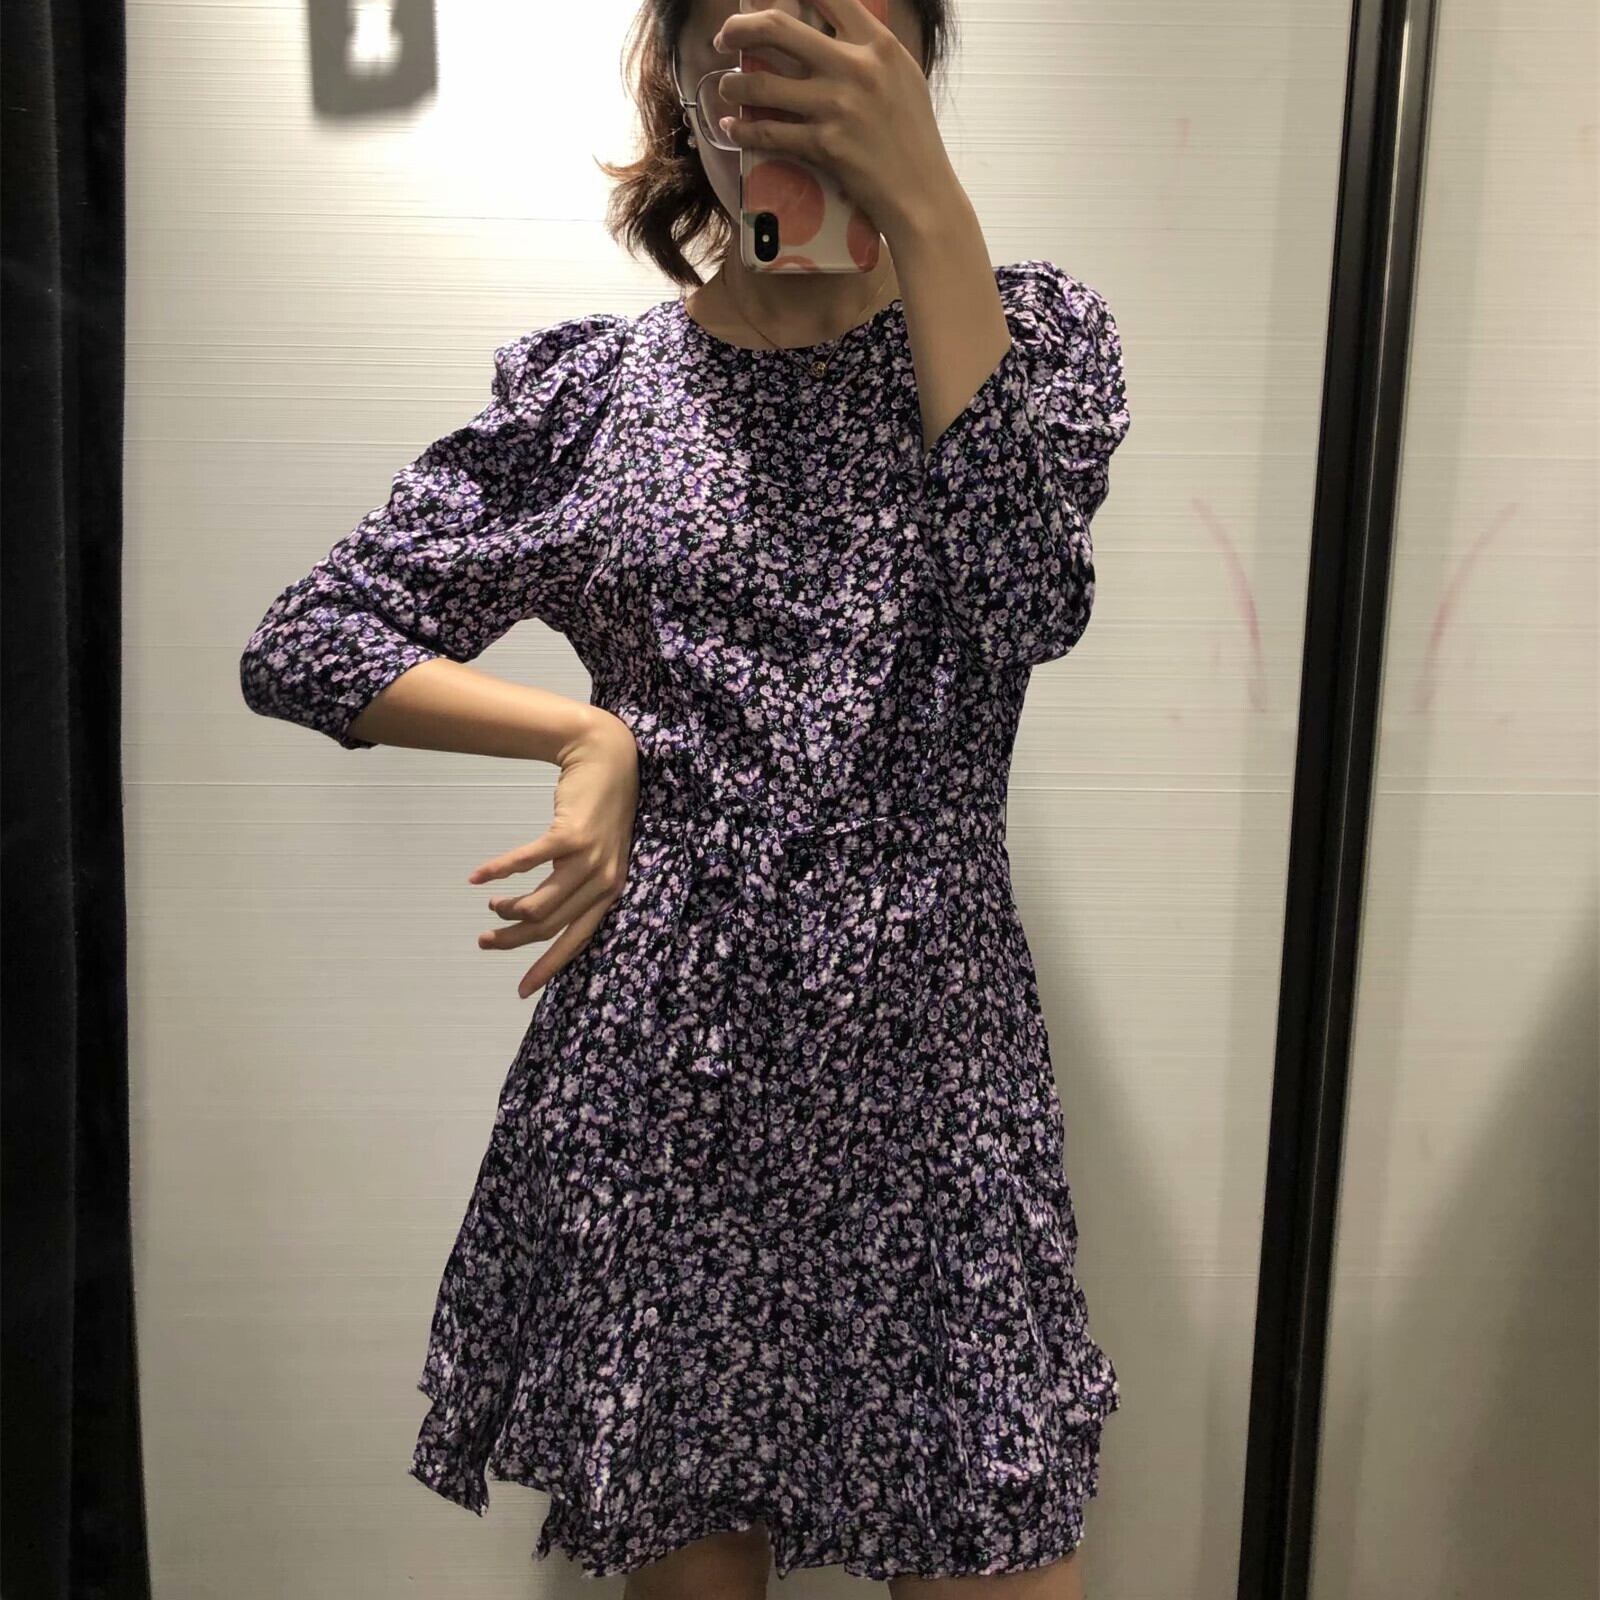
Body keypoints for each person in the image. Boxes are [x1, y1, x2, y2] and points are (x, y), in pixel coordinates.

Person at [237, 1, 1132, 1595]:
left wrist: (930, 209)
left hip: (933, 1088)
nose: (798, 89)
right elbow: (311, 637)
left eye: (845, 38)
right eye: (756, 46)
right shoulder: (600, 397)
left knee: (1000, 1547)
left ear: (913, 64)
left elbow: (1022, 606)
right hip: (667, 1086)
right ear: (685, 86)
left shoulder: (1022, 344)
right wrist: (586, 741)